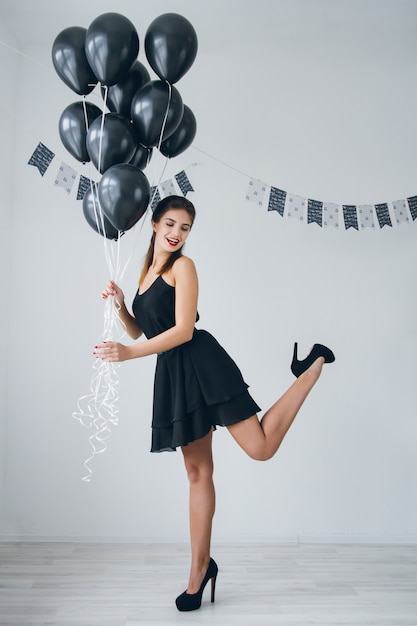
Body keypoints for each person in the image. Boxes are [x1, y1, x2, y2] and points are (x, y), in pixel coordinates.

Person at [94, 195, 335, 612]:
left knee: (260, 448)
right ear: (153, 224)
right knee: (196, 471)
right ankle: (200, 569)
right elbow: (138, 331)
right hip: (173, 374)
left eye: (184, 228)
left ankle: (311, 367)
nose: (176, 234)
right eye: (170, 224)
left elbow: (184, 330)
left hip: (201, 363)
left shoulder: (183, 267)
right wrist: (120, 306)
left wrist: (129, 355)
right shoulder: (147, 271)